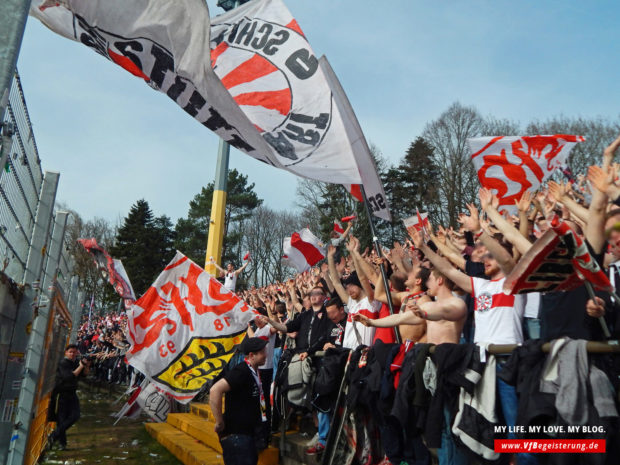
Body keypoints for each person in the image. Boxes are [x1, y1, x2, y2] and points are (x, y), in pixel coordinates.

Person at [210, 337, 269, 465]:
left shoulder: (253, 371)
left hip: (247, 435)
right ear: (252, 355)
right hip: (237, 437)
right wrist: (219, 422)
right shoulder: (241, 371)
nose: (266, 355)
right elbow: (215, 390)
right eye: (263, 352)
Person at [48, 344, 90, 451]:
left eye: (74, 352)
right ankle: (62, 443)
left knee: (75, 416)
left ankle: (54, 436)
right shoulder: (63, 363)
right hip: (62, 394)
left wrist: (86, 365)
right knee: (61, 420)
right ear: (66, 352)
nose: (72, 354)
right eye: (70, 352)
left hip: (72, 393)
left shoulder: (75, 363)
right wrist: (80, 366)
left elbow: (84, 375)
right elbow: (69, 376)